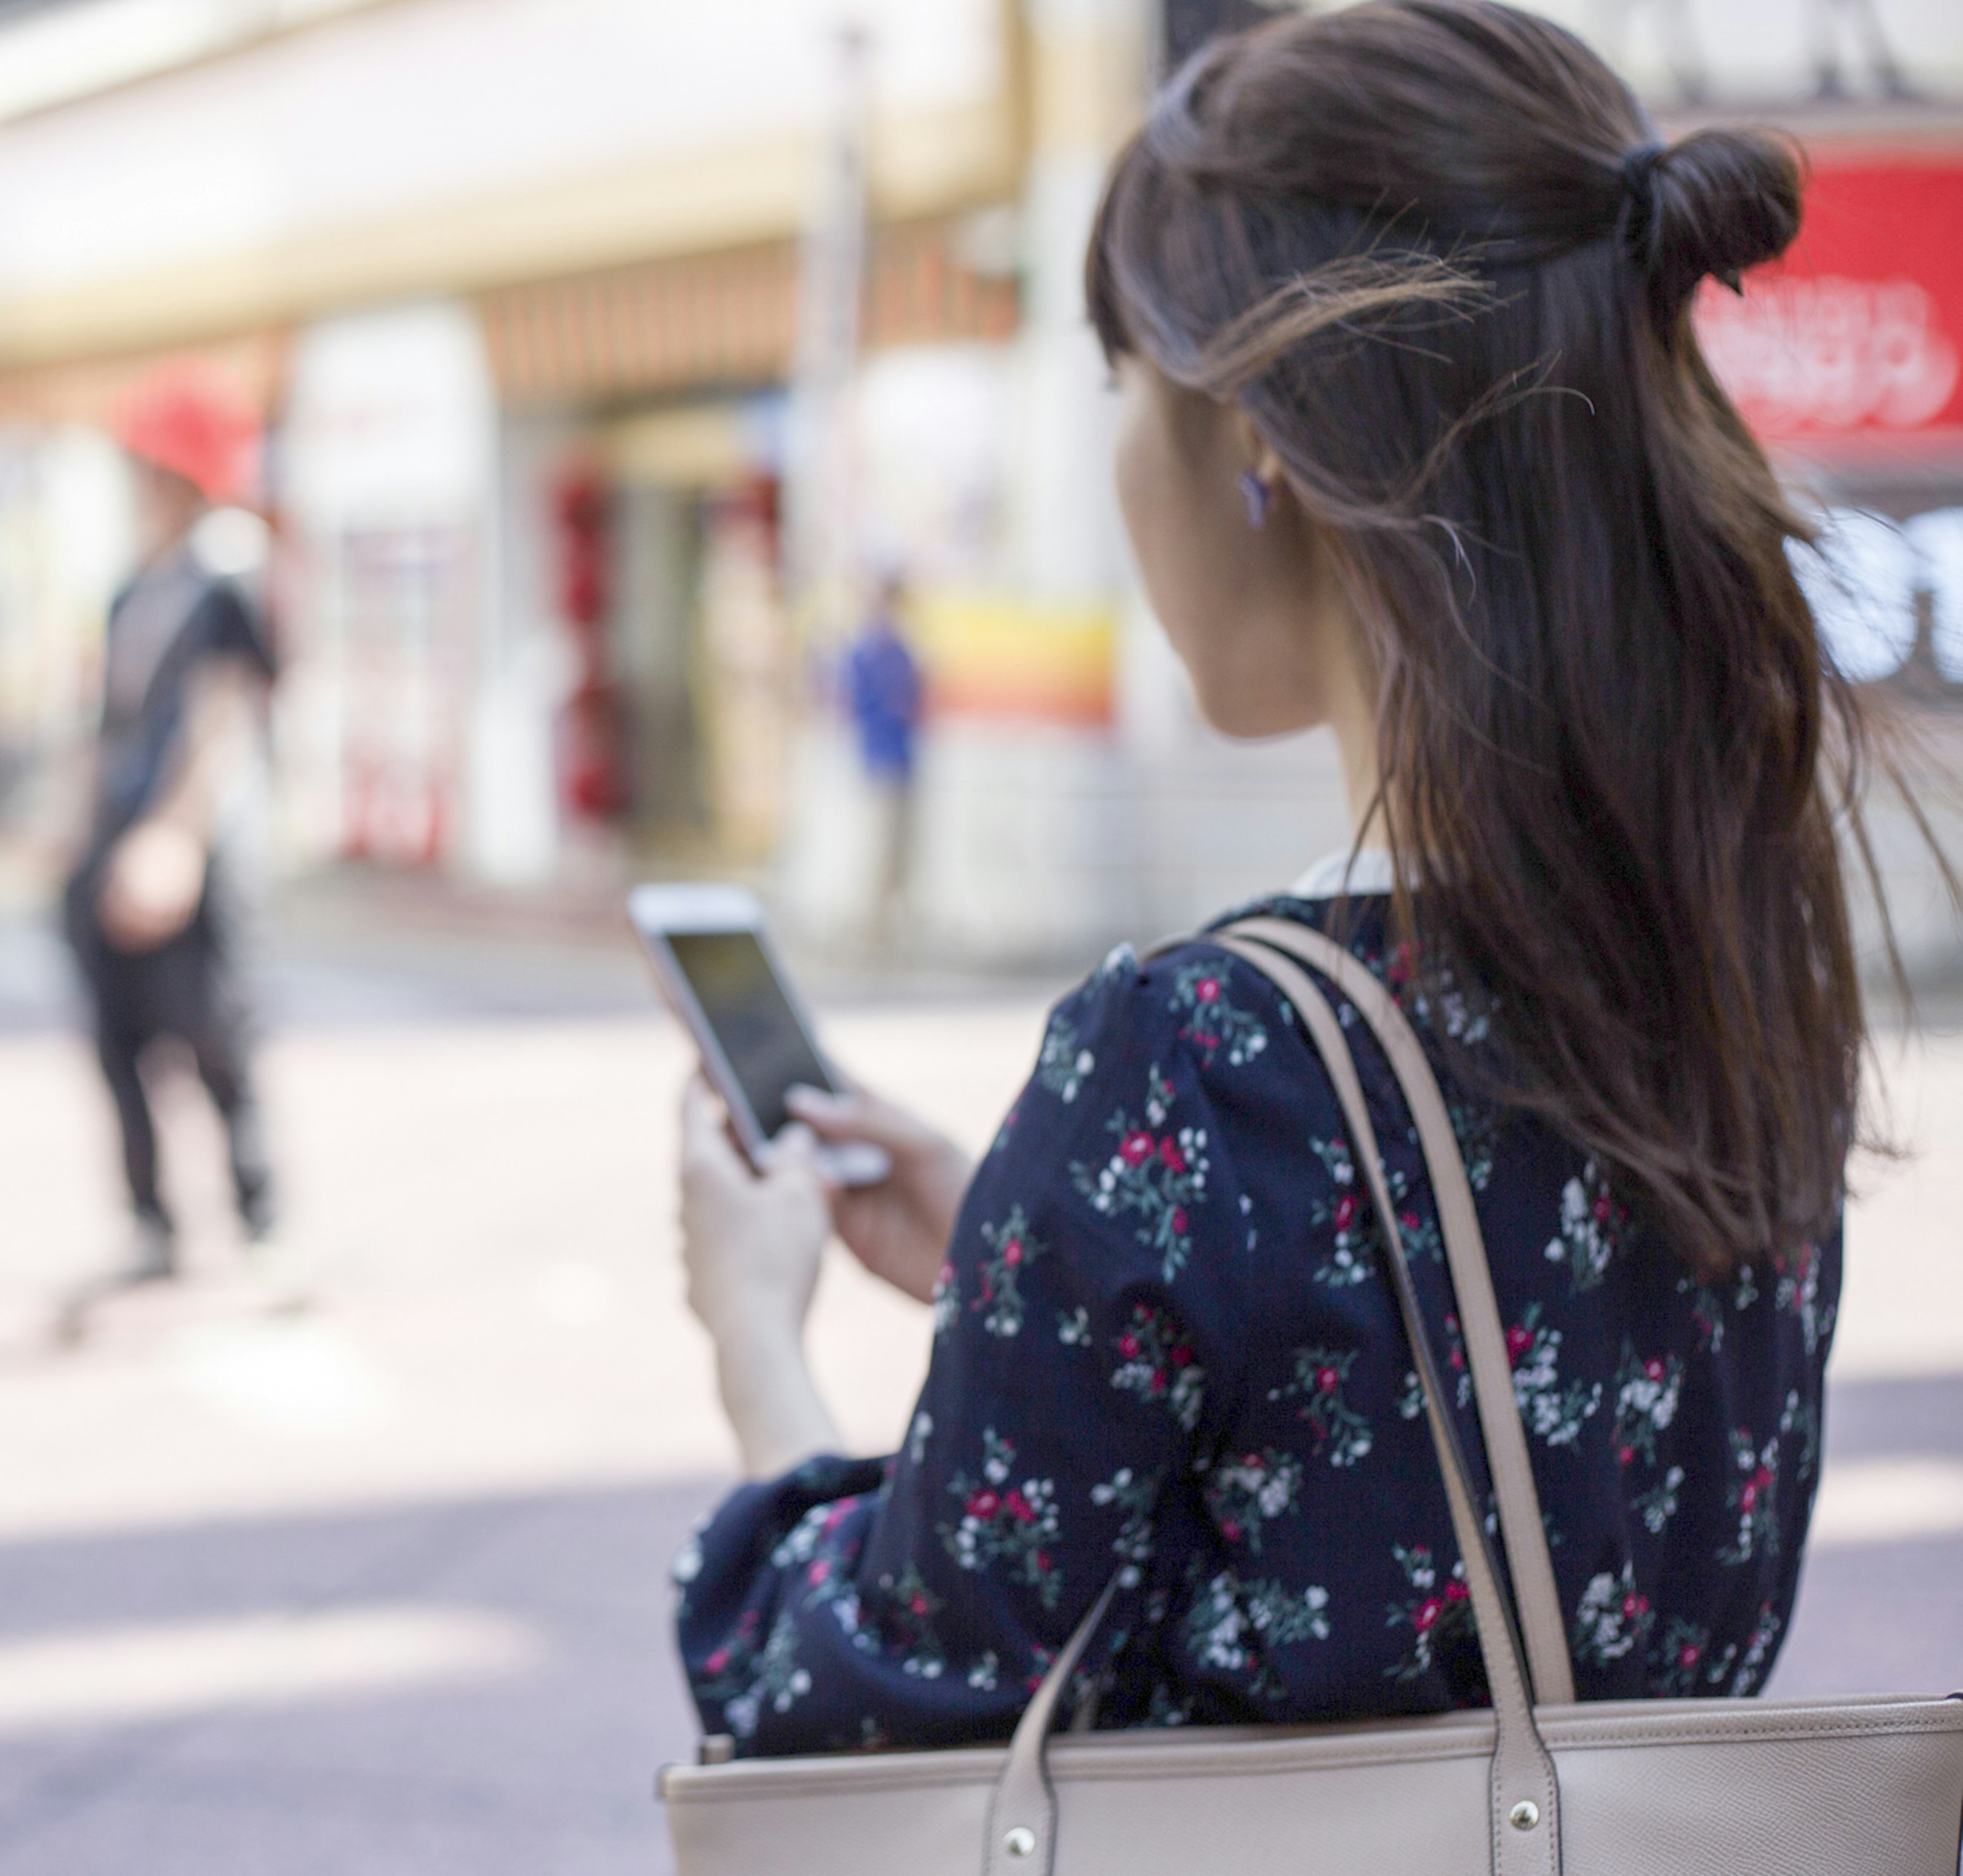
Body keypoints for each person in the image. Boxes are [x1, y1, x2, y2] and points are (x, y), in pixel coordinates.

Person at [672, 0, 1871, 1751]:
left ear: (1249, 439)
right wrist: (1025, 1269)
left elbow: (861, 1714)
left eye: (1119, 384)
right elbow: (1432, 1449)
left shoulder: (1195, 1068)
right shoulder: (1743, 972)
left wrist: (752, 1341)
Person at [54, 361, 281, 1324]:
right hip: (113, 841)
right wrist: (70, 828)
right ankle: (152, 1223)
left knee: (214, 1037)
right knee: (117, 1038)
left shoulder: (226, 583)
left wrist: (175, 838)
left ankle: (262, 1222)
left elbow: (219, 719)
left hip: (185, 848)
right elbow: (105, 726)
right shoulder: (130, 589)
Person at [842, 575, 924, 955]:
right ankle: (871, 928)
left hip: (905, 757)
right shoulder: (865, 652)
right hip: (879, 759)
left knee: (904, 848)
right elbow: (859, 703)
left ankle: (896, 925)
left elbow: (916, 697)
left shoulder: (902, 650)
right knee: (880, 845)